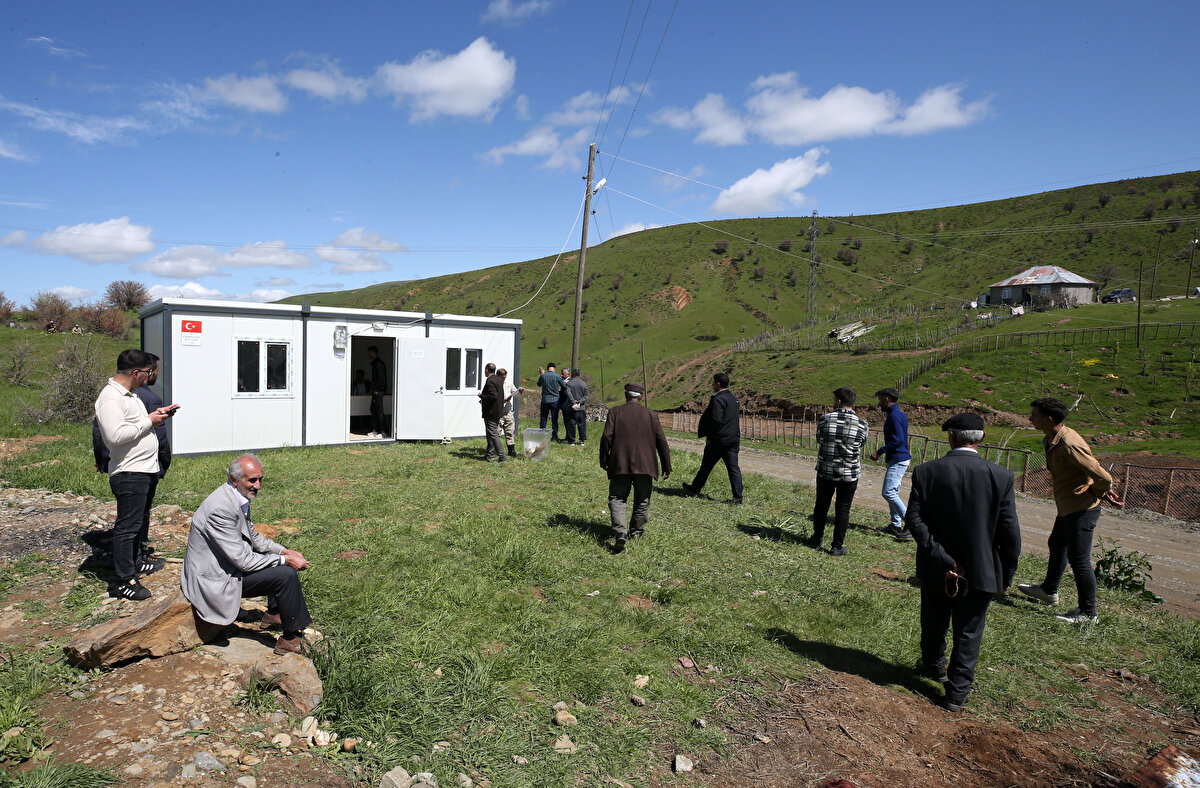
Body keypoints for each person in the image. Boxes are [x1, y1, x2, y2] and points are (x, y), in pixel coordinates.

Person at [906, 413, 1021, 712]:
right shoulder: (1001, 476)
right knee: (969, 630)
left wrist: (942, 558)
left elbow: (915, 520)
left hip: (936, 566)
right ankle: (957, 692)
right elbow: (1010, 532)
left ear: (952, 437)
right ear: (981, 439)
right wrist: (1006, 572)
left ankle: (933, 665)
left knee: (933, 619)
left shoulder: (926, 472)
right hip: (981, 568)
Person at [181, 455, 313, 655]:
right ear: (234, 480)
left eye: (260, 479)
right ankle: (290, 637)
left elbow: (252, 536)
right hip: (213, 579)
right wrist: (286, 560)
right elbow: (243, 561)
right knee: (285, 574)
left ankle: (275, 614)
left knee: (278, 554)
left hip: (227, 565)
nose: (258, 485)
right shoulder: (221, 508)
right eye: (252, 480)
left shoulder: (236, 496)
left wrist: (284, 551)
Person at [1018, 397, 1123, 624]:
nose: (1030, 418)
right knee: (1057, 544)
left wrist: (1099, 492)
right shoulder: (1052, 438)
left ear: (1049, 418)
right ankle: (1049, 590)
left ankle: (1088, 613)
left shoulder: (1068, 444)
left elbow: (1103, 476)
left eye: (1034, 415)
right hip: (1067, 506)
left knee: (1079, 560)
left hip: (1081, 509)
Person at [94, 349, 180, 600]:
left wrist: (157, 414)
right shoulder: (111, 398)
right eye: (148, 372)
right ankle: (123, 581)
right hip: (130, 471)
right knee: (127, 527)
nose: (149, 377)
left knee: (138, 521)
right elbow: (114, 436)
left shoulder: (129, 395)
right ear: (135, 372)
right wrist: (149, 421)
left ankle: (137, 561)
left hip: (143, 469)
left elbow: (133, 425)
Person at [599, 383, 671, 553]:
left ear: (626, 395)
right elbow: (661, 440)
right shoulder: (651, 414)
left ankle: (621, 533)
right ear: (641, 397)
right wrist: (666, 465)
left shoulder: (615, 412)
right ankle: (637, 532)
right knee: (642, 499)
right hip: (646, 466)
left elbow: (606, 437)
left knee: (617, 498)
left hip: (620, 464)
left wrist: (604, 459)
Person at [806, 387, 869, 555]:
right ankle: (836, 546)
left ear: (839, 401)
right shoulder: (862, 424)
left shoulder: (825, 419)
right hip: (849, 474)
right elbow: (862, 444)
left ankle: (817, 538)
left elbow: (819, 439)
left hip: (826, 471)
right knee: (843, 509)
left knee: (821, 505)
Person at [681, 372, 743, 504]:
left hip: (719, 439)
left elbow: (716, 420)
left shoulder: (718, 398)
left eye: (713, 383)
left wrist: (710, 437)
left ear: (718, 384)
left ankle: (695, 489)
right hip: (733, 439)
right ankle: (738, 498)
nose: (712, 385)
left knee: (706, 465)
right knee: (733, 468)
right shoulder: (734, 398)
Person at [870, 387, 913, 540]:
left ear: (887, 398)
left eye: (880, 398)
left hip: (898, 458)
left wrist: (879, 451)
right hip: (898, 457)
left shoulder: (894, 415)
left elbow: (898, 440)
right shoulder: (898, 414)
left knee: (888, 492)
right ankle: (895, 525)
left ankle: (912, 524)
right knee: (892, 492)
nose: (879, 402)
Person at [480, 362, 507, 462]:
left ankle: (502, 456)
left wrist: (482, 396)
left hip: (491, 411)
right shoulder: (499, 380)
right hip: (498, 410)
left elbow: (493, 396)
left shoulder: (490, 381)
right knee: (490, 433)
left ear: (487, 370)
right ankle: (490, 455)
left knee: (493, 434)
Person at [498, 368, 524, 458]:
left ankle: (511, 451)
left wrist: (519, 392)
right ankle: (495, 450)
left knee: (510, 431)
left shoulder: (509, 383)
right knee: (497, 432)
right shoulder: (494, 384)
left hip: (508, 411)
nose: (504, 379)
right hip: (498, 412)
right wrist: (502, 399)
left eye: (505, 377)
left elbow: (515, 393)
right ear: (498, 376)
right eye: (502, 377)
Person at [536, 362, 565, 441]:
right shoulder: (557, 376)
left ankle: (542, 436)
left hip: (545, 400)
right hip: (555, 400)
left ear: (547, 368)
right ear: (554, 369)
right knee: (554, 419)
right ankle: (554, 437)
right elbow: (564, 386)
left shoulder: (543, 376)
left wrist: (541, 374)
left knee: (543, 418)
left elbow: (539, 384)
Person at [563, 367, 590, 446]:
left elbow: (568, 393)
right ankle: (582, 441)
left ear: (573, 374)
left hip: (571, 408)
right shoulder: (584, 383)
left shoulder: (569, 383)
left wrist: (573, 402)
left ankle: (572, 441)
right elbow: (587, 395)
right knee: (582, 424)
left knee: (571, 424)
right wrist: (580, 402)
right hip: (581, 408)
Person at [367, 346, 388, 439]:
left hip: (378, 391)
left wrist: (377, 389)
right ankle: (375, 430)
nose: (368, 355)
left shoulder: (379, 364)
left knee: (379, 411)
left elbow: (381, 378)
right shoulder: (375, 363)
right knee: (373, 409)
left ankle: (383, 432)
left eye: (369, 353)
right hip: (376, 391)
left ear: (373, 353)